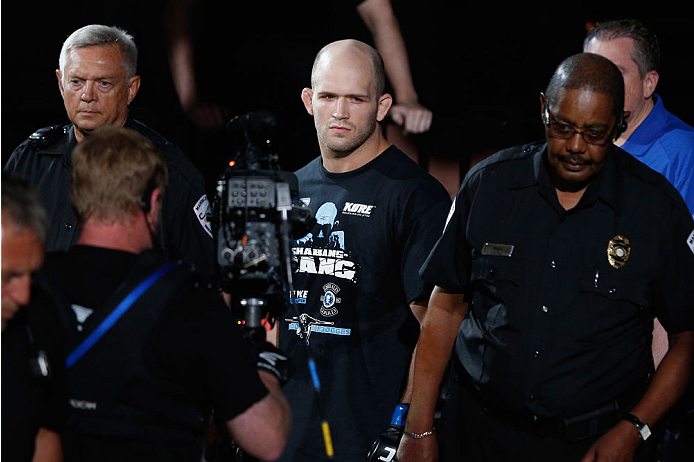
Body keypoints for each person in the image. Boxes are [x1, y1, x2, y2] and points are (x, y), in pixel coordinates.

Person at [397, 53, 694, 462]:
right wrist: (418, 426)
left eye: (594, 133)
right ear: (543, 109)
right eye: (564, 127)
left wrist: (634, 429)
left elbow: (686, 338)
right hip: (477, 436)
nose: (575, 147)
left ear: (619, 126)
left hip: (592, 445)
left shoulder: (656, 210)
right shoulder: (489, 186)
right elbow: (445, 309)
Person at [33, 125, 291, 461]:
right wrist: (266, 366)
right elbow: (266, 439)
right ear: (154, 202)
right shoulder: (189, 304)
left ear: (76, 198)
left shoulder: (28, 289)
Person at [274, 39, 451, 461]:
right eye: (328, 96)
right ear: (307, 100)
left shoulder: (416, 198)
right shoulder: (289, 189)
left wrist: (408, 428)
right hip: (286, 433)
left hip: (369, 438)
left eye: (356, 98)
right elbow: (270, 310)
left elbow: (435, 326)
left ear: (382, 105)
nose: (339, 111)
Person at [3, 24, 216, 280]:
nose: (87, 96)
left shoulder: (170, 172)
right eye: (76, 82)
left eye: (103, 83)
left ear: (131, 89)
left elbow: (205, 281)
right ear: (61, 83)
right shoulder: (30, 159)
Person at [583, 19, 694, 216]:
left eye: (615, 73)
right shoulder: (576, 141)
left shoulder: (684, 152)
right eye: (592, 72)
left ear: (649, 83)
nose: (599, 85)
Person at [1, 172, 67, 461]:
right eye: (9, 276)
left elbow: (45, 432)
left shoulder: (38, 319)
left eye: (32, 275)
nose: (23, 296)